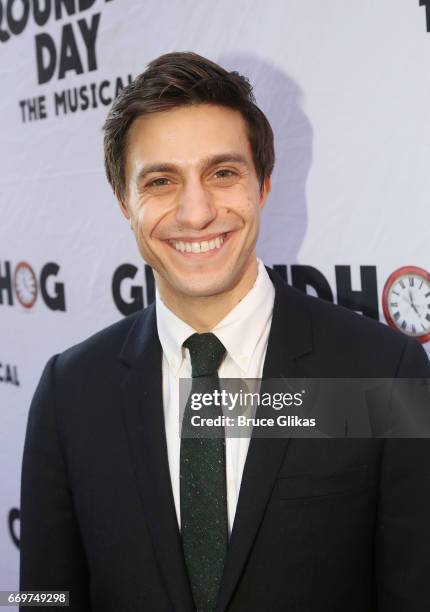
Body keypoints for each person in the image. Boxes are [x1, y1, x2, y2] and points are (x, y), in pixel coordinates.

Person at [20, 51, 430, 612]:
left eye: (222, 173)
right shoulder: (70, 391)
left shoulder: (382, 372)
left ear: (262, 185)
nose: (196, 212)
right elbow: (46, 597)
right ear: (124, 203)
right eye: (161, 180)